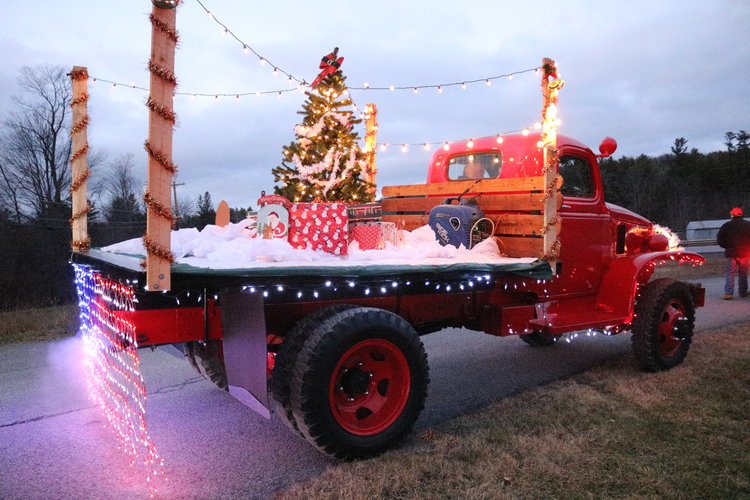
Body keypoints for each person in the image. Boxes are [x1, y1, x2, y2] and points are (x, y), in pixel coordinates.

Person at [716, 207, 750, 299]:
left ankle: (728, 293)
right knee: (743, 273)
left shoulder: (726, 226)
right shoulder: (748, 225)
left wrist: (727, 247)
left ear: (732, 215)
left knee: (730, 273)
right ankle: (743, 292)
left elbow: (720, 239)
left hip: (732, 253)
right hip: (745, 253)